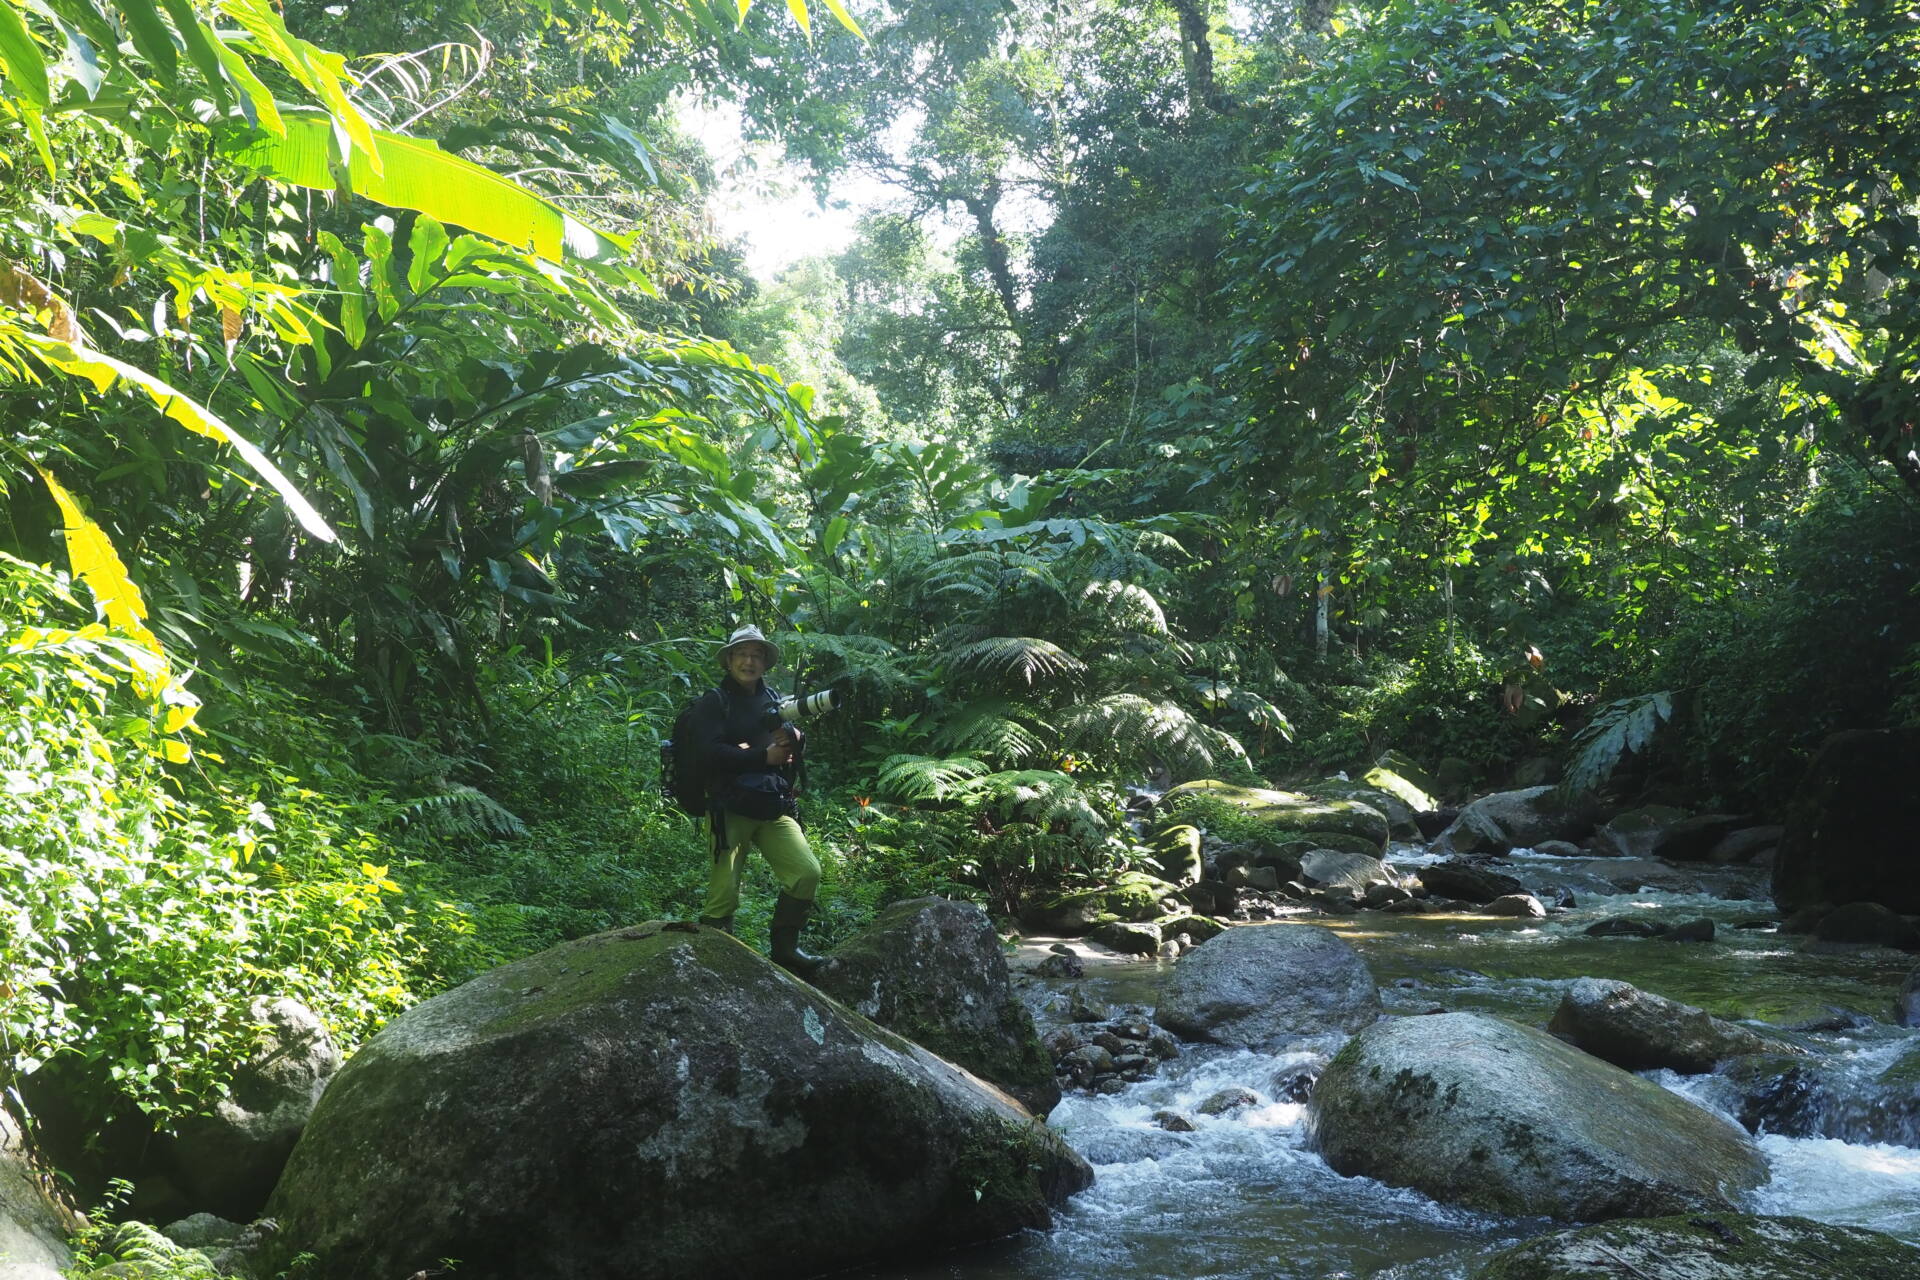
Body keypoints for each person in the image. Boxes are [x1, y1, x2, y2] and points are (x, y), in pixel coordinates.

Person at [686, 624, 824, 977]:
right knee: (724, 893)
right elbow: (708, 753)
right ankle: (715, 962)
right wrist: (763, 757)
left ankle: (785, 951)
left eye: (756, 655)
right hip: (729, 807)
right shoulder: (714, 702)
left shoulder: (774, 699)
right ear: (729, 659)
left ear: (765, 661)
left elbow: (786, 747)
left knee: (806, 872)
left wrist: (794, 742)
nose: (749, 661)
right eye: (742, 654)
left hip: (770, 804)